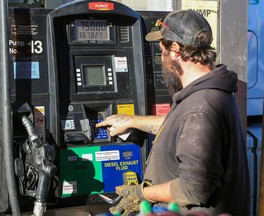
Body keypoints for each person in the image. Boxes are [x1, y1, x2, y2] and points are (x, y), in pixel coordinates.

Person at [96, 9, 250, 216]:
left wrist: (143, 193)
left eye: (163, 51)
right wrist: (132, 120)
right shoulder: (207, 94)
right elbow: (182, 128)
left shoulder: (201, 107)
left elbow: (194, 188)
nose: (163, 59)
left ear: (175, 49)